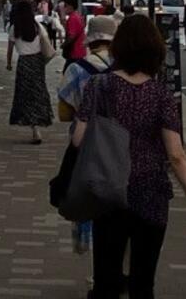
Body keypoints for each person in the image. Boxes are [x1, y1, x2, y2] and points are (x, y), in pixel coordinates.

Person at [72, 13, 186, 297]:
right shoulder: (160, 94)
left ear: (119, 48)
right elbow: (176, 155)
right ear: (155, 50)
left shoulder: (100, 86)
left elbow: (78, 140)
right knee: (143, 282)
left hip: (108, 192)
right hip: (151, 194)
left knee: (106, 280)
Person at [59, 14, 118, 255]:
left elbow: (63, 113)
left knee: (86, 194)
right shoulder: (125, 68)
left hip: (85, 142)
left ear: (90, 41)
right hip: (118, 141)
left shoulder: (76, 69)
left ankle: (86, 239)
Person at [6, 0, 57, 143]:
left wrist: (9, 64)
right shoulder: (37, 26)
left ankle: (33, 126)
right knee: (38, 93)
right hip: (37, 63)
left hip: (24, 63)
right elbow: (45, 46)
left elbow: (10, 49)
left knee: (25, 95)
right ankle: (37, 125)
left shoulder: (14, 28)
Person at [63, 0, 88, 65]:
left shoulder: (72, 18)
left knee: (68, 73)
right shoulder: (78, 16)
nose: (64, 8)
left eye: (65, 6)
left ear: (70, 6)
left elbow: (71, 36)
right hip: (80, 50)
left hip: (74, 52)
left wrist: (64, 44)